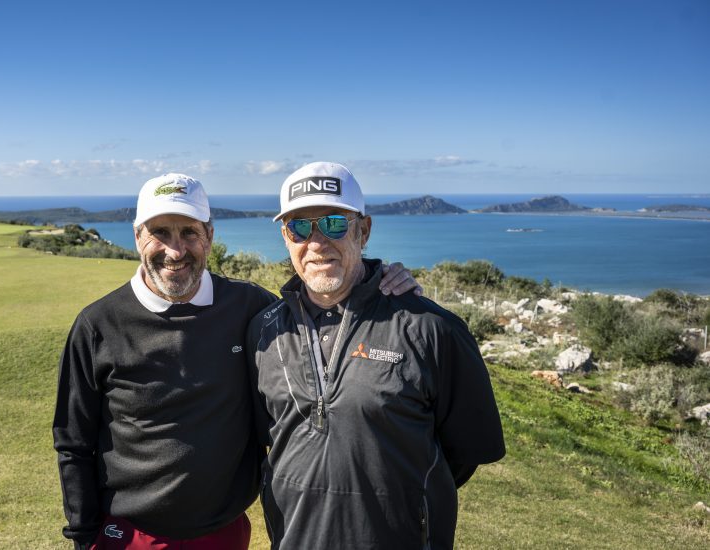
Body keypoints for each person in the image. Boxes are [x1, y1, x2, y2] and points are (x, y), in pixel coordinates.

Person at [53, 173, 421, 550]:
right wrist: (84, 536)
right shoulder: (97, 324)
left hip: (224, 533)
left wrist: (380, 282)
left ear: (209, 237)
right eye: (160, 232)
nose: (175, 251)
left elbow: (327, 303)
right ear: (138, 238)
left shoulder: (250, 308)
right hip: (129, 535)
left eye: (189, 233)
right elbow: (73, 442)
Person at [247, 162, 506, 550]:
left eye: (334, 224)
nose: (316, 242)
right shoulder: (264, 331)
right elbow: (266, 436)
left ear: (363, 230)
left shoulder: (432, 328)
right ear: (286, 237)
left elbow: (464, 452)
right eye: (300, 227)